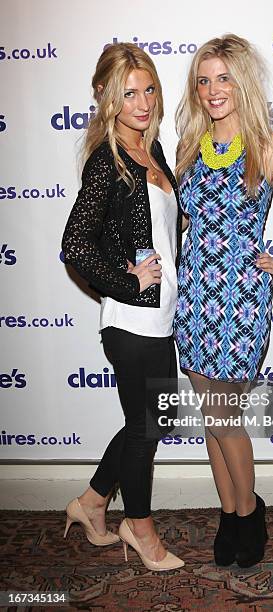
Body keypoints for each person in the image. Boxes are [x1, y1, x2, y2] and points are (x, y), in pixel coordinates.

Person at [173, 34, 273, 568]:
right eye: (203, 79)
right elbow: (189, 225)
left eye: (223, 78)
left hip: (240, 301)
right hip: (196, 298)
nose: (213, 89)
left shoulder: (271, 147)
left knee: (224, 416)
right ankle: (229, 512)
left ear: (242, 82)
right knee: (210, 417)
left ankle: (249, 514)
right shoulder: (188, 147)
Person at [62, 42, 184, 571]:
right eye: (128, 93)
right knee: (146, 426)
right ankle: (140, 527)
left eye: (149, 89)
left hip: (159, 318)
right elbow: (76, 245)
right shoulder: (106, 162)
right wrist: (128, 283)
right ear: (105, 98)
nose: (142, 103)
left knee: (149, 418)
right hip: (131, 321)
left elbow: (158, 229)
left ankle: (91, 503)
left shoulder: (151, 152)